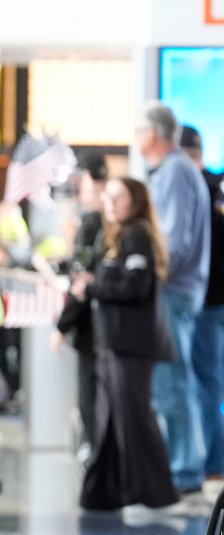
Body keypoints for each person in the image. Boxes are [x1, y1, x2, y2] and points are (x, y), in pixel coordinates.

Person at [70, 177, 181, 513]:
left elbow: (135, 286)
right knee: (110, 421)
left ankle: (158, 494)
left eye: (119, 196)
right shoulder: (114, 237)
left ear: (135, 201)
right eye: (109, 196)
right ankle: (105, 493)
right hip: (110, 344)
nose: (111, 202)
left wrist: (91, 288)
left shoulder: (137, 235)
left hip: (130, 346)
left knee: (134, 419)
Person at [137, 102, 212, 493]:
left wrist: (152, 275)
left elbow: (175, 241)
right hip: (181, 290)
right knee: (174, 379)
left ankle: (184, 470)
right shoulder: (176, 170)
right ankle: (183, 465)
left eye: (138, 131)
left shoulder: (175, 172)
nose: (136, 139)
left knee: (173, 380)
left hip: (175, 292)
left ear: (153, 134)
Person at [54, 152, 109, 457]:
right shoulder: (106, 222)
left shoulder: (94, 221)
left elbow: (82, 280)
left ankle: (97, 454)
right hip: (111, 325)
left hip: (94, 327)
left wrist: (62, 326)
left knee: (91, 392)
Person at [181, 125, 224, 494]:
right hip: (211, 300)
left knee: (206, 385)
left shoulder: (195, 188)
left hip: (207, 301)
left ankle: (213, 466)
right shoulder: (214, 185)